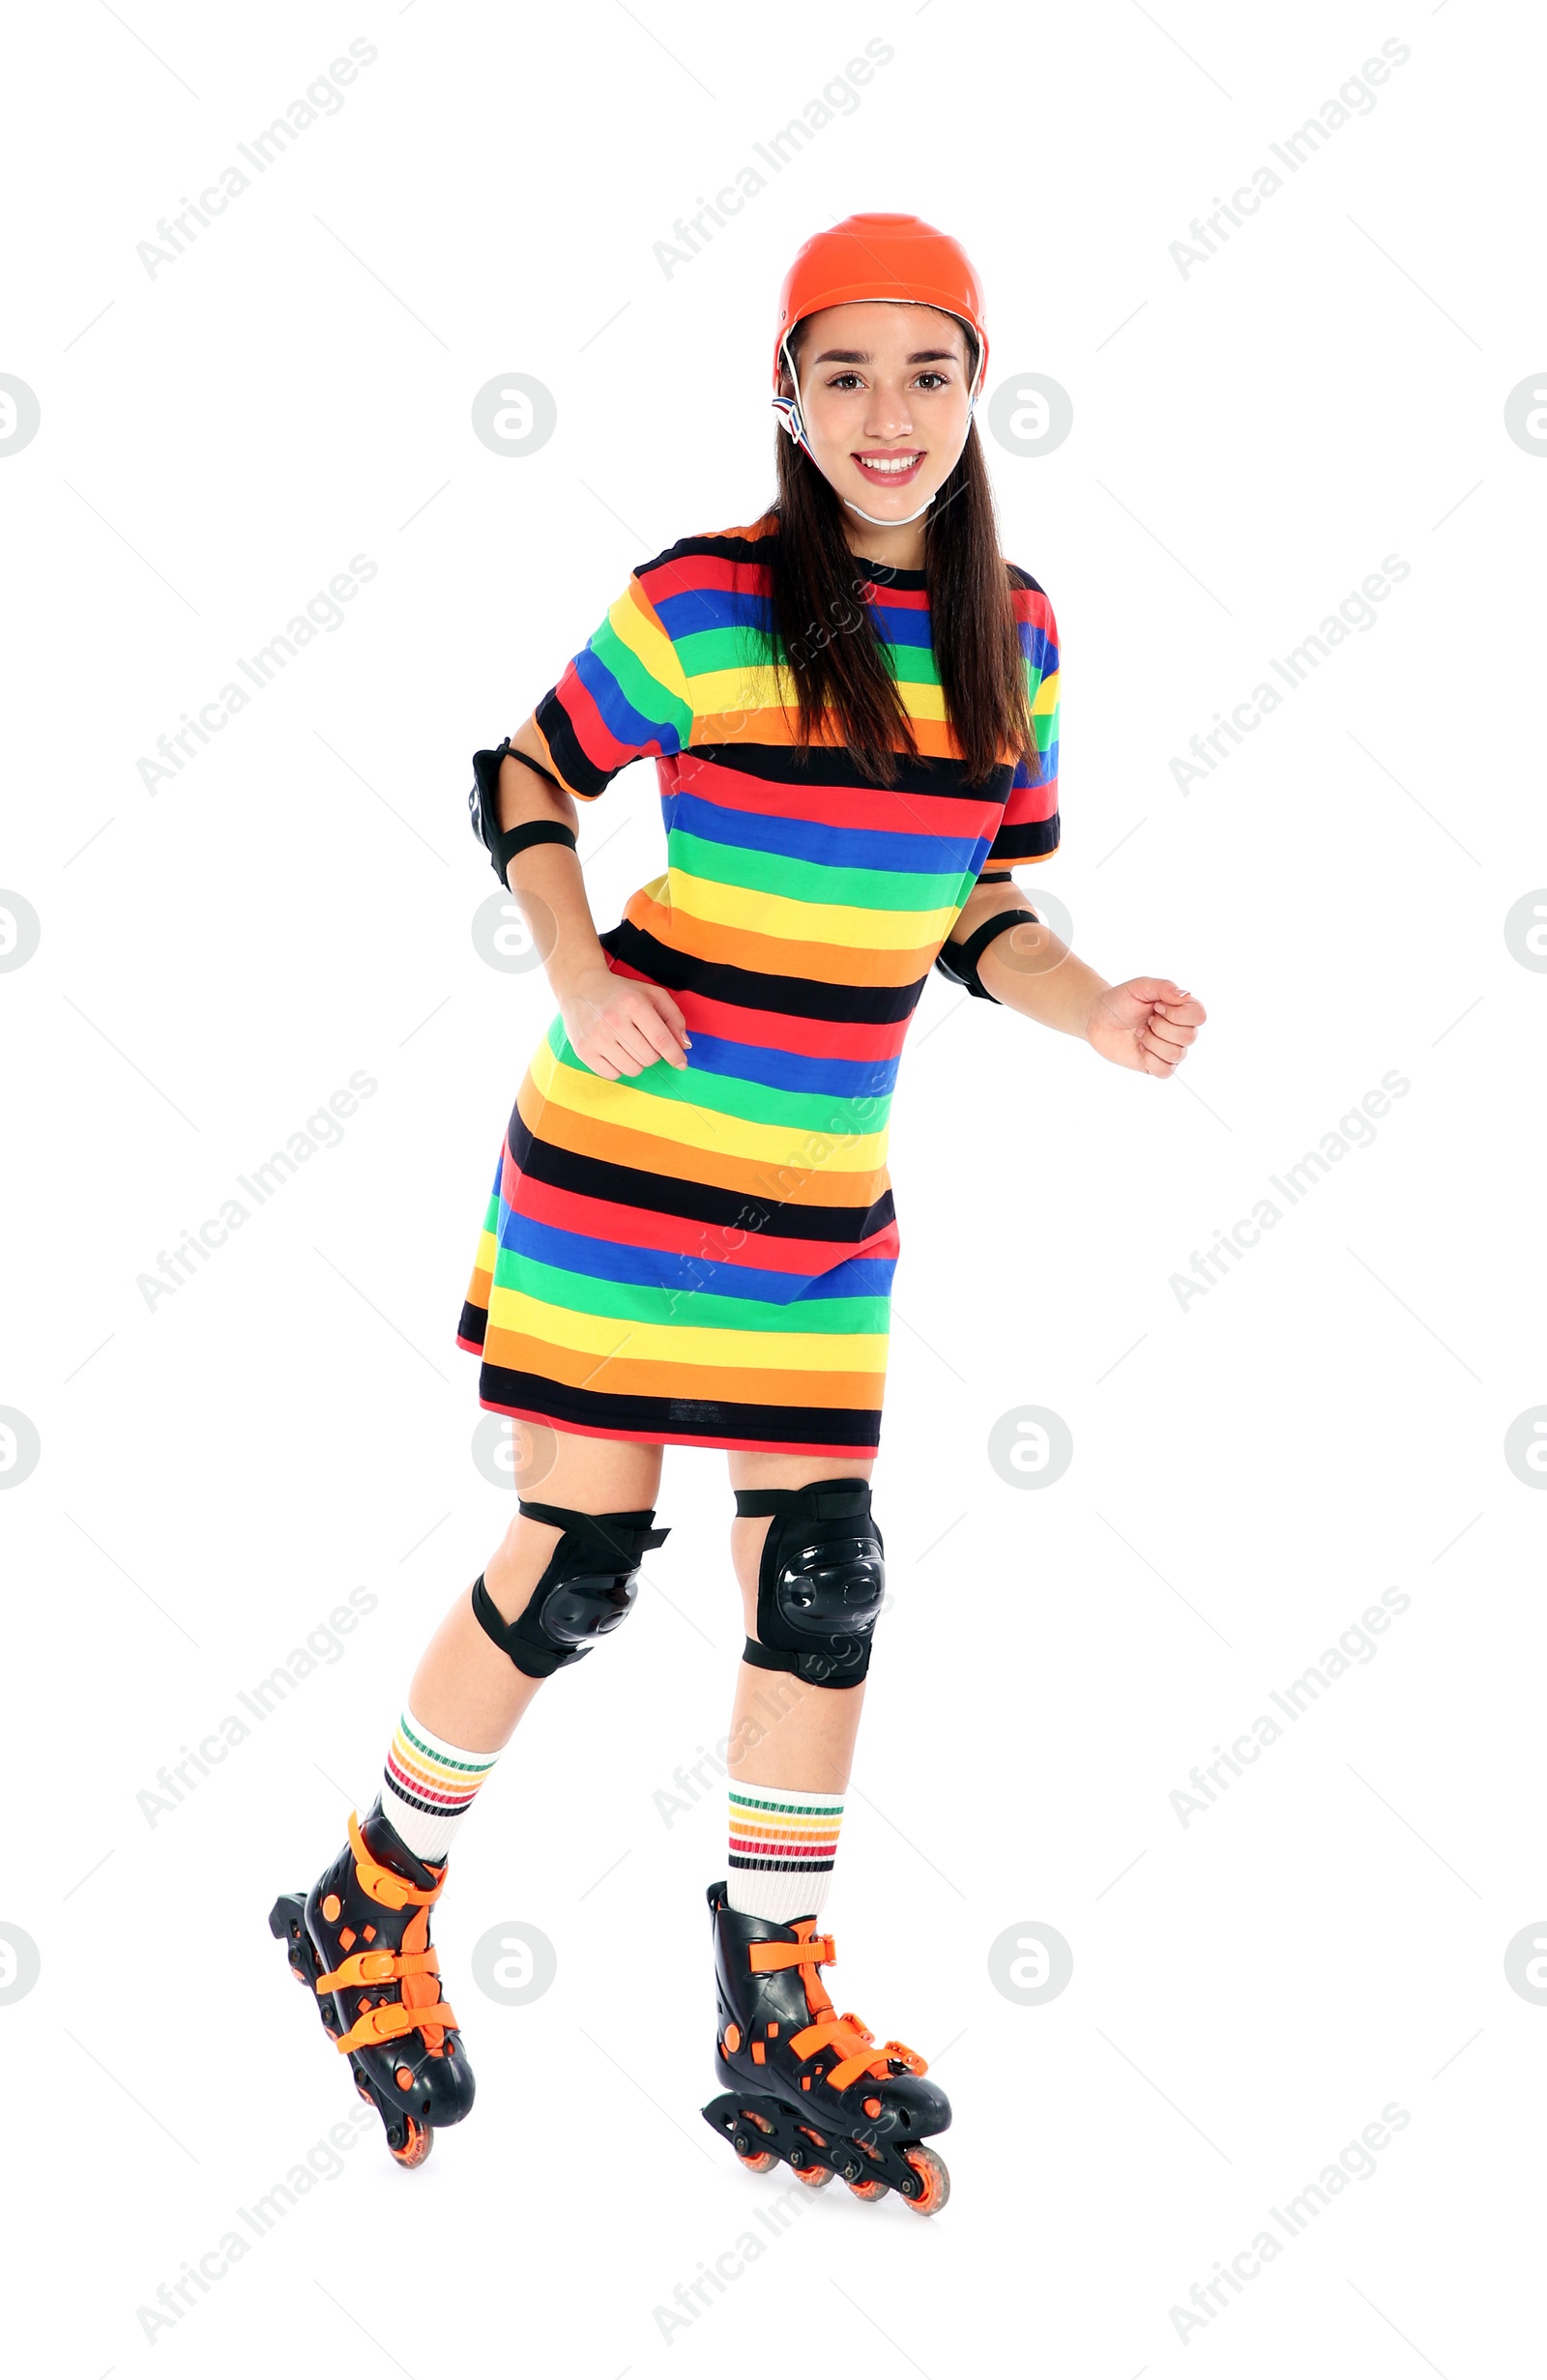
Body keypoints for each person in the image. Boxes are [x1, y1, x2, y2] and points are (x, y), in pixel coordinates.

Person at [271, 212, 1206, 2208]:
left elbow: (977, 900)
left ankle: (771, 1997)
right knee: (578, 1559)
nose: (887, 416)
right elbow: (524, 771)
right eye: (844, 373)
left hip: (812, 1196)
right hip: (624, 1160)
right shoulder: (699, 601)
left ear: (977, 390)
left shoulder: (1012, 632)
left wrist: (1091, 1002)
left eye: (926, 373)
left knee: (820, 1577)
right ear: (784, 391)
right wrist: (570, 960)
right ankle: (364, 1897)